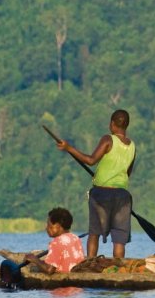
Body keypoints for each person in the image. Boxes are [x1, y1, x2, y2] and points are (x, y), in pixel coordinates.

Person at [56, 109, 135, 258]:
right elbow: (127, 173)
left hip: (102, 194)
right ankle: (117, 271)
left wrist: (69, 148)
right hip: (123, 196)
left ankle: (91, 263)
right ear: (127, 125)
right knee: (119, 240)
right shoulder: (132, 146)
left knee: (94, 233)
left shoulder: (108, 139)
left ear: (112, 124)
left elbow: (91, 160)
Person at [24, 207, 86, 274]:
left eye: (49, 226)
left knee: (33, 270)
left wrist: (34, 259)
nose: (46, 229)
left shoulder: (56, 242)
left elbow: (49, 270)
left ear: (57, 226)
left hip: (64, 280)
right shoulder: (75, 238)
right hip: (76, 276)